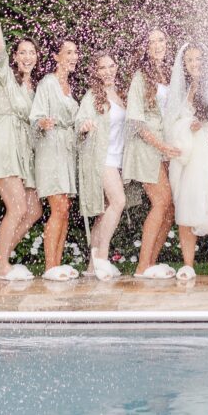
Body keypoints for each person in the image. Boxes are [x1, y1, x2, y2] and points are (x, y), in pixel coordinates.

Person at [165, 43, 208, 280]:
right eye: (189, 60)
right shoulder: (181, 91)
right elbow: (173, 122)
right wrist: (188, 125)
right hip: (192, 155)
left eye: (198, 59)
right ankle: (188, 265)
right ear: (184, 65)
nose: (194, 64)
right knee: (186, 207)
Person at [0, 0, 42, 281]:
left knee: (33, 209)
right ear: (16, 57)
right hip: (5, 141)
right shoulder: (6, 76)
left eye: (32, 53)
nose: (28, 57)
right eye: (23, 53)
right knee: (17, 206)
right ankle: (3, 265)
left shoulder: (36, 89)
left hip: (24, 149)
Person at [123, 28, 180, 279]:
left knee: (170, 208)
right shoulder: (140, 77)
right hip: (147, 146)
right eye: (152, 41)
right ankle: (142, 265)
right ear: (145, 47)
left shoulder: (169, 75)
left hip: (165, 148)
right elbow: (136, 122)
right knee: (161, 201)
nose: (158, 45)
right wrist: (162, 146)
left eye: (161, 40)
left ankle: (151, 263)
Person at [29, 38, 80, 281]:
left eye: (75, 52)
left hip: (66, 150)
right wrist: (42, 122)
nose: (72, 57)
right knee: (58, 207)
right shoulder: (47, 83)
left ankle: (57, 264)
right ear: (56, 57)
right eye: (67, 52)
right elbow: (36, 115)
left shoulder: (69, 88)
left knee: (65, 209)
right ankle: (50, 266)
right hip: (50, 148)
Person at [76, 51, 126, 280]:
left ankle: (91, 266)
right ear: (96, 72)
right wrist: (84, 125)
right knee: (118, 201)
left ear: (117, 67)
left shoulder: (121, 94)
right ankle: (103, 258)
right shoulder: (92, 96)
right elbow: (79, 119)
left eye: (111, 66)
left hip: (117, 158)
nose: (108, 71)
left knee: (104, 212)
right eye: (102, 68)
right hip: (101, 156)